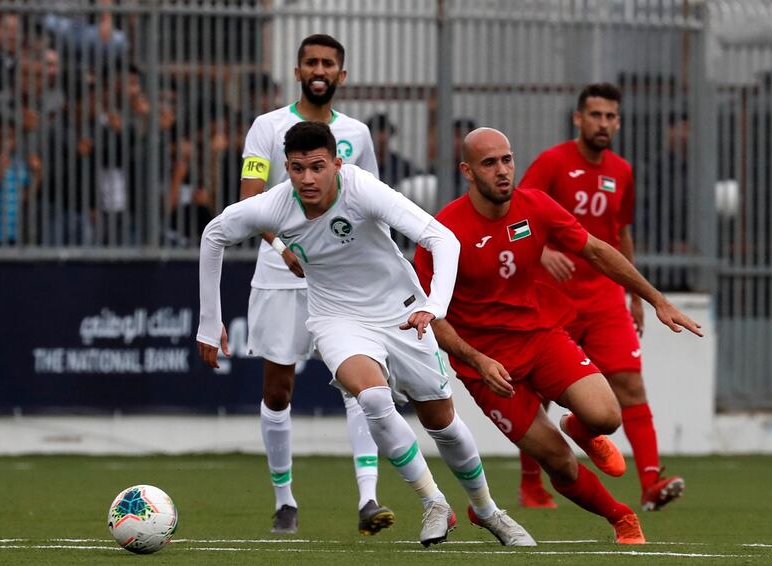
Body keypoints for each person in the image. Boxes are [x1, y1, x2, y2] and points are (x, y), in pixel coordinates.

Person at [197, 121, 535, 548]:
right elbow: (213, 234)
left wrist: (434, 305)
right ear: (287, 168)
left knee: (442, 424)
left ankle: (487, 511)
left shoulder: (362, 189)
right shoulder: (276, 205)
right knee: (373, 397)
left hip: (400, 312)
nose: (307, 179)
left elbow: (442, 239)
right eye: (297, 169)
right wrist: (210, 322)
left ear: (337, 163)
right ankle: (433, 502)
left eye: (317, 167)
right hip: (336, 319)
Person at [414, 127, 702, 543]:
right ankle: (620, 516)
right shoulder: (444, 233)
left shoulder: (536, 206)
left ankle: (581, 428)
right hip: (486, 364)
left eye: (507, 160)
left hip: (540, 337)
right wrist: (476, 360)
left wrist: (656, 298)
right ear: (467, 171)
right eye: (489, 163)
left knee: (607, 416)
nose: (502, 171)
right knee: (559, 462)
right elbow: (432, 315)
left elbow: (598, 250)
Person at [237, 34, 387, 536]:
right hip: (281, 275)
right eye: (310, 62)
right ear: (297, 70)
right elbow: (249, 199)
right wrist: (285, 250)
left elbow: (370, 204)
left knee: (360, 384)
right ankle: (285, 501)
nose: (318, 69)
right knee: (278, 390)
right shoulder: (266, 127)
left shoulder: (358, 135)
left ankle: (369, 499)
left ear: (342, 75)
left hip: (342, 281)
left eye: (328, 63)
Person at [516, 83, 687, 511]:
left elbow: (620, 234)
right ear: (578, 119)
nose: (604, 123)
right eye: (596, 115)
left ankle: (650, 483)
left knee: (629, 383)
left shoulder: (622, 171)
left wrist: (635, 295)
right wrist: (547, 251)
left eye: (611, 116)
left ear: (619, 122)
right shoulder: (553, 162)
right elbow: (517, 214)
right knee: (541, 394)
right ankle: (532, 485)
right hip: (554, 298)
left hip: (606, 298)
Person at [365, 112, 419, 188]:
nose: (382, 138)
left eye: (384, 132)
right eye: (378, 133)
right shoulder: (362, 164)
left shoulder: (401, 166)